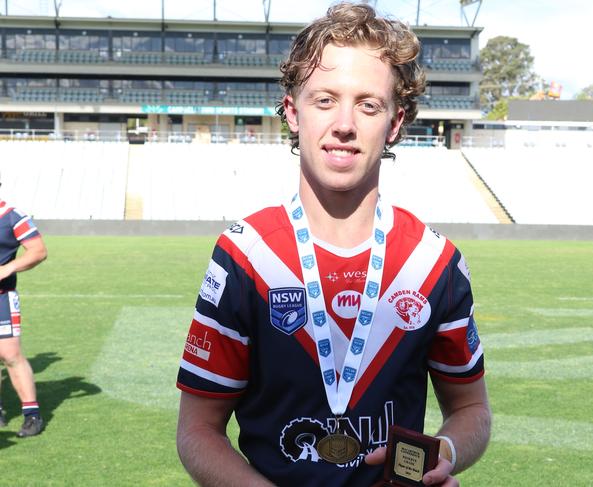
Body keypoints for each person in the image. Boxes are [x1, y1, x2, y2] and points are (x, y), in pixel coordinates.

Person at [176, 3, 491, 486]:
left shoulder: (434, 262)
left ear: (395, 123)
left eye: (368, 104)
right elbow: (198, 429)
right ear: (292, 112)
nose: (344, 123)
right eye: (325, 100)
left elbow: (471, 408)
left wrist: (444, 452)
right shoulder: (245, 256)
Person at [0, 193, 48, 437]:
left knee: (10, 354)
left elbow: (38, 250)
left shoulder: (12, 217)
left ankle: (32, 415)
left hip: (2, 297)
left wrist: (8, 268)